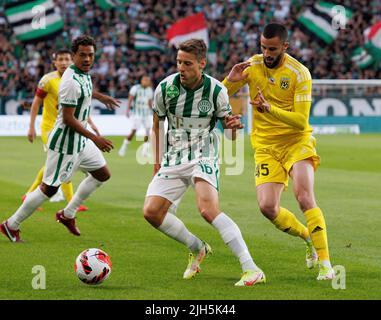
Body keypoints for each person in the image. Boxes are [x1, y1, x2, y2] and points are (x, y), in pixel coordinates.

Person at [143, 39, 265, 286]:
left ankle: (251, 268)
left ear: (201, 63)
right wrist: (157, 161)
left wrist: (233, 128)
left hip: (203, 154)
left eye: (187, 63)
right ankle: (197, 247)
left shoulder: (216, 90)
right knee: (152, 213)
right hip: (174, 157)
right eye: (178, 62)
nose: (181, 68)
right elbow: (156, 124)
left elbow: (230, 133)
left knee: (207, 209)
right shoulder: (166, 88)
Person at [222, 23, 334, 280]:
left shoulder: (300, 73)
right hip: (265, 146)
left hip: (296, 142)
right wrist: (230, 80)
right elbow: (218, 96)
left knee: (304, 196)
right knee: (267, 207)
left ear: (285, 46)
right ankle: (308, 237)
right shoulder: (253, 65)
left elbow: (301, 122)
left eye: (272, 48)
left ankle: (326, 264)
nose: (267, 53)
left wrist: (270, 109)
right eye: (263, 47)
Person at [1, 35, 118, 242]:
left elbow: (86, 93)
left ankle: (68, 214)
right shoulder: (70, 81)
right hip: (65, 142)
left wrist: (102, 97)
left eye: (91, 55)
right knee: (49, 188)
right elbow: (68, 118)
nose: (87, 59)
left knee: (103, 174)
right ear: (74, 56)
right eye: (82, 55)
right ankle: (11, 225)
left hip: (80, 141)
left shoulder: (83, 74)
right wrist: (96, 138)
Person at [25, 49, 99, 212]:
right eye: (61, 60)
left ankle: (30, 195)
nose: (64, 62)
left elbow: (80, 105)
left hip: (68, 127)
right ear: (55, 62)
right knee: (66, 163)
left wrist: (90, 122)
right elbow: (36, 103)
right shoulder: (47, 80)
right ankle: (71, 201)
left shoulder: (75, 78)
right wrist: (31, 127)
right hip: (50, 128)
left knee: (53, 165)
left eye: (67, 59)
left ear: (71, 60)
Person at [118, 75, 154, 158]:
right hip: (137, 114)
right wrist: (127, 110)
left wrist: (153, 111)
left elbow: (149, 102)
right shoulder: (135, 88)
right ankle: (124, 147)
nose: (146, 81)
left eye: (147, 80)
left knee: (148, 131)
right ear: (141, 81)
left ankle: (145, 151)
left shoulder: (149, 90)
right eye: (145, 80)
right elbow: (130, 99)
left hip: (146, 114)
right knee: (134, 130)